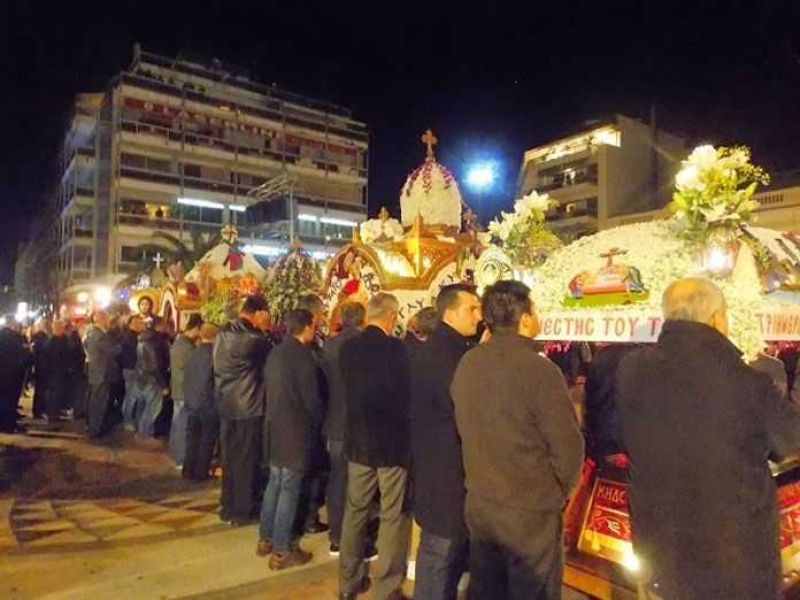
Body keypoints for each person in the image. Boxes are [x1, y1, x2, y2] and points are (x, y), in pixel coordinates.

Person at [616, 277, 800, 600]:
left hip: (662, 556)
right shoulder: (748, 384)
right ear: (716, 319)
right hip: (734, 564)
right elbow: (791, 439)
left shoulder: (631, 370)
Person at [451, 280, 584, 600]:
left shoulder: (470, 362)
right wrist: (560, 491)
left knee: (487, 588)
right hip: (528, 509)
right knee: (532, 589)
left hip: (482, 501)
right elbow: (567, 446)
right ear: (524, 318)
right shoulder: (539, 370)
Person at [339, 292, 411, 600]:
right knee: (392, 514)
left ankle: (348, 583)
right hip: (391, 444)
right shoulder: (398, 350)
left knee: (355, 510)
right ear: (392, 317)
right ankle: (386, 587)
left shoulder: (348, 348)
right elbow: (405, 396)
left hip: (358, 441)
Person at [411, 284, 481, 600]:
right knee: (440, 558)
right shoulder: (450, 355)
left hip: (437, 467)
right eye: (472, 309)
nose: (479, 317)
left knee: (442, 556)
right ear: (450, 313)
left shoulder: (446, 348)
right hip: (447, 472)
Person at [258, 309, 323, 570]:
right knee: (288, 489)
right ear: (307, 327)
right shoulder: (303, 357)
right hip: (296, 432)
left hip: (275, 428)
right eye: (314, 325)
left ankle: (266, 539)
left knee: (275, 484)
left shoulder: (276, 352)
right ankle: (283, 551)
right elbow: (312, 400)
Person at [214, 295, 273, 526]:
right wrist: (266, 332)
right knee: (248, 459)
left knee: (230, 458)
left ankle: (228, 505)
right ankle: (244, 509)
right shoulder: (254, 338)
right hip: (249, 405)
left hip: (227, 403)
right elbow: (272, 355)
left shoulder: (222, 333)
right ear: (258, 313)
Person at [322, 301, 366, 556]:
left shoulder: (329, 345)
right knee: (358, 486)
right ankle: (354, 541)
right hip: (357, 424)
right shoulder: (363, 346)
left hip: (335, 423)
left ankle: (336, 536)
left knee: (337, 481)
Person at [294, 293, 331, 536]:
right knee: (309, 472)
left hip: (296, 420)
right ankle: (307, 516)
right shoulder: (309, 349)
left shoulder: (293, 345)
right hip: (308, 420)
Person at [183, 323, 220, 481]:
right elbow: (214, 381)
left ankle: (188, 470)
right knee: (206, 440)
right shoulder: (214, 355)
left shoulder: (194, 352)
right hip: (208, 404)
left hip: (192, 402)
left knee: (192, 439)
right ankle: (200, 472)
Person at [169, 313, 203, 468]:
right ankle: (180, 458)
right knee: (182, 425)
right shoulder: (187, 347)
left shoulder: (179, 343)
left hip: (178, 389)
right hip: (184, 391)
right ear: (196, 328)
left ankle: (176, 453)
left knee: (177, 424)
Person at [127, 317, 170, 440]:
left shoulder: (142, 338)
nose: (166, 327)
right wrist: (163, 384)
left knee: (143, 405)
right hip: (153, 379)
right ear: (158, 326)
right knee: (152, 409)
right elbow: (155, 364)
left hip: (142, 376)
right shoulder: (155, 341)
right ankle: (144, 434)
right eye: (164, 325)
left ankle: (142, 431)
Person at [84, 311, 122, 439]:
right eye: (106, 319)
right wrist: (119, 347)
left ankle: (93, 427)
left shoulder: (92, 334)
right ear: (101, 320)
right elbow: (112, 351)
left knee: (96, 402)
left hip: (97, 372)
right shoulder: (99, 335)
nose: (108, 321)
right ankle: (95, 430)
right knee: (98, 404)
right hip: (102, 373)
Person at [0, 318, 30, 433]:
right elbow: (23, 354)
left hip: (2, 373)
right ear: (12, 324)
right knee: (10, 400)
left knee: (2, 399)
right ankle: (9, 425)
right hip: (13, 374)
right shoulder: (15, 337)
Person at [43, 320, 73, 424]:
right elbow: (52, 357)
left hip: (61, 371)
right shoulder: (51, 342)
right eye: (61, 328)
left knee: (59, 393)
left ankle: (56, 412)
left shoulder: (62, 339)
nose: (63, 330)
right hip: (55, 372)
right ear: (56, 328)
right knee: (54, 394)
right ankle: (52, 415)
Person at [121, 315, 145, 429]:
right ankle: (127, 420)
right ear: (130, 324)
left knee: (137, 396)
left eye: (141, 322)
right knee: (131, 396)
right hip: (131, 369)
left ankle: (135, 420)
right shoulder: (130, 337)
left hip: (135, 369)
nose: (140, 325)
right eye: (136, 323)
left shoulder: (137, 336)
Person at [30, 321, 50, 419]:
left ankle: (38, 409)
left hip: (40, 366)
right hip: (42, 366)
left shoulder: (36, 337)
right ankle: (39, 410)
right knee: (41, 389)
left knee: (39, 389)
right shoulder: (41, 337)